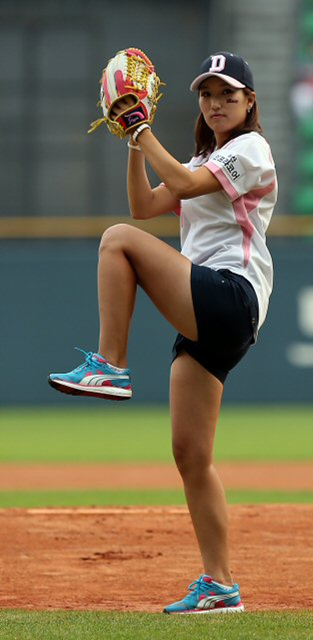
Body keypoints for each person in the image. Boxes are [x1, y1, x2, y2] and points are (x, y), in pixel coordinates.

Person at [48, 51, 277, 614]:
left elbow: (175, 182)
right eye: (207, 94)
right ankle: (221, 586)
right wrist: (133, 142)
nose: (217, 102)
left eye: (228, 93)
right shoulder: (208, 155)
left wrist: (142, 128)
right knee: (191, 455)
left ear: (250, 101)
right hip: (208, 313)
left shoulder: (252, 149)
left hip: (230, 294)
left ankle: (110, 366)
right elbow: (146, 202)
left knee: (116, 240)